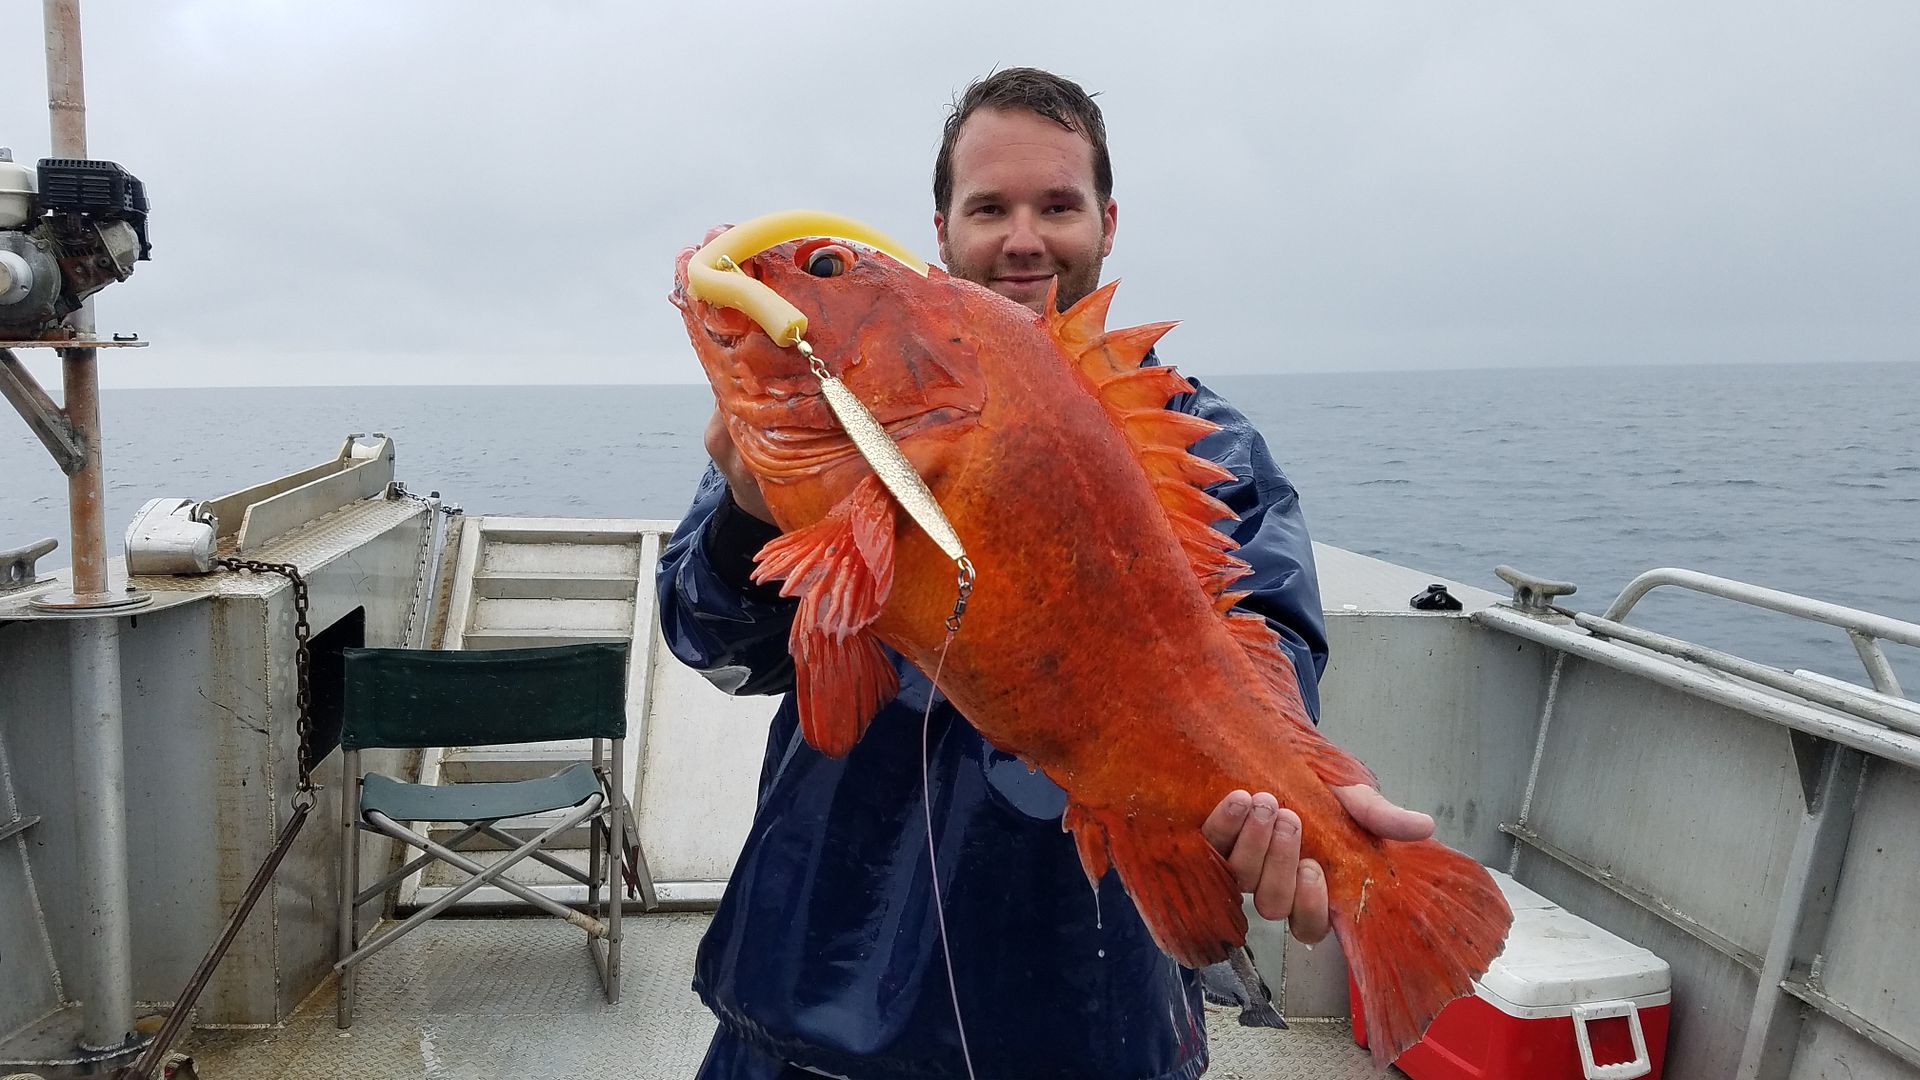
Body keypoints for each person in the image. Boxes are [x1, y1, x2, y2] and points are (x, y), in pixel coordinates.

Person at [659, 67, 1434, 1080]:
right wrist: (751, 508)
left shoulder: (1211, 447)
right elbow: (709, 642)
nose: (1023, 238)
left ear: (1107, 222)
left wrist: (1294, 807)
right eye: (989, 208)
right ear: (938, 233)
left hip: (1090, 1011)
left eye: (1057, 205)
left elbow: (1270, 650)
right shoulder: (834, 411)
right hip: (811, 984)